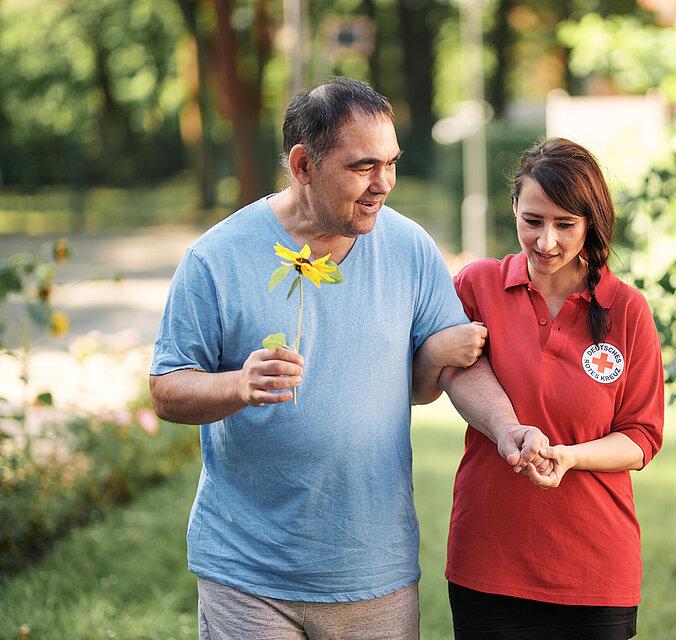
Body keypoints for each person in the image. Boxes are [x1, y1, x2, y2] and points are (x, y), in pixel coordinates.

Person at [148, 77, 548, 640]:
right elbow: (167, 389)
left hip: (374, 570)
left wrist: (505, 427)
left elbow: (457, 362)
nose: (383, 185)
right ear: (303, 165)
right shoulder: (216, 258)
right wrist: (238, 385)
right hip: (249, 572)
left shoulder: (409, 247)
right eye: (363, 167)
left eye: (391, 163)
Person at [440, 138, 665, 639]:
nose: (546, 242)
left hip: (594, 569)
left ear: (591, 224)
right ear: (514, 208)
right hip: (489, 557)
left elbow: (642, 436)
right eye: (533, 221)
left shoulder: (627, 310)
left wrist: (569, 457)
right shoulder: (477, 286)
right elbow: (450, 374)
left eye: (565, 224)